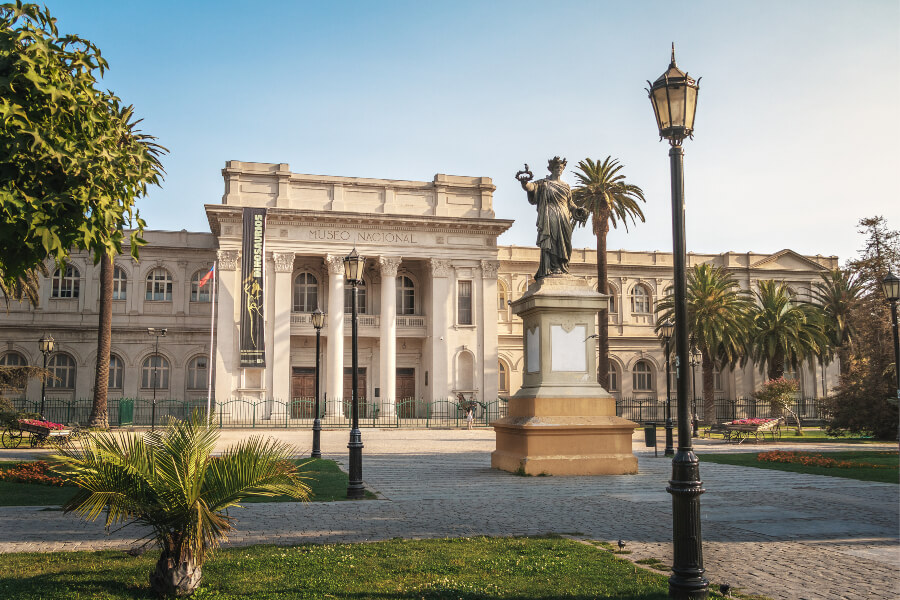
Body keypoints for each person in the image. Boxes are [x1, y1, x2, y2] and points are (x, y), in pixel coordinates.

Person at [517, 156, 588, 279]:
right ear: (551, 169)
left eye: (561, 167)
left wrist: (577, 209)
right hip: (550, 214)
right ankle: (554, 267)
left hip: (564, 215)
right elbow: (531, 187)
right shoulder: (544, 183)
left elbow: (570, 203)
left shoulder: (566, 186)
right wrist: (525, 183)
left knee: (565, 242)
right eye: (556, 167)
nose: (559, 169)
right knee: (553, 240)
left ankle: (563, 266)